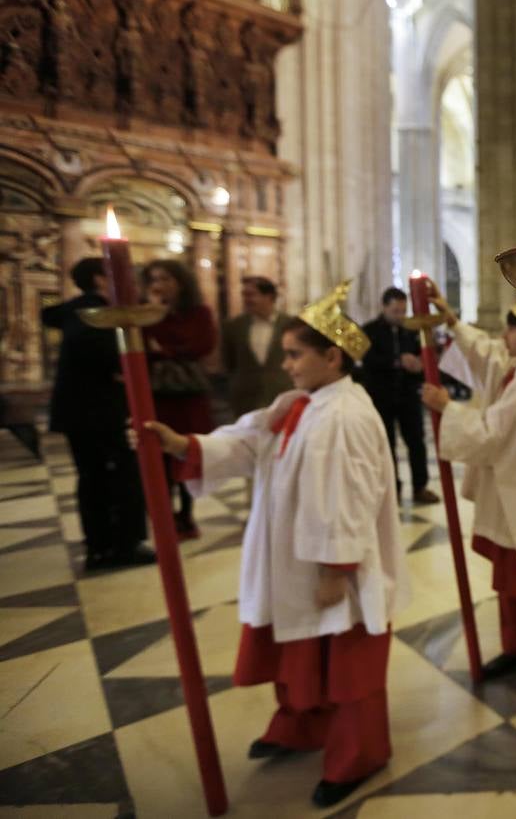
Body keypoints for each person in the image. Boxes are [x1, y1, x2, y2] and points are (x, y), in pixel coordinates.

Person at [138, 281, 408, 808]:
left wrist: (336, 566)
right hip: (291, 561)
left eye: (294, 355)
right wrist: (183, 444)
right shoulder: (300, 403)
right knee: (299, 651)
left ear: (332, 356)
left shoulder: (347, 414)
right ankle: (301, 728)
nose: (286, 365)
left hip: (334, 566)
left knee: (349, 666)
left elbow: (351, 496)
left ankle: (360, 754)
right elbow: (250, 442)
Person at [422, 292, 516, 690]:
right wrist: (452, 320)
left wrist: (447, 408)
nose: (502, 335)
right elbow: (486, 353)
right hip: (511, 492)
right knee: (510, 581)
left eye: (510, 329)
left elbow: (490, 435)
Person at [41, 257, 153, 571]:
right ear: (101, 279)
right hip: (99, 413)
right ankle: (119, 546)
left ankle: (103, 545)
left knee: (96, 478)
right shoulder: (94, 314)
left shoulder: (76, 311)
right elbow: (107, 356)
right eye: (121, 271)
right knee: (113, 477)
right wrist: (120, 369)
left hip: (86, 413)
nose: (129, 276)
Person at [143, 258, 217, 540]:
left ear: (181, 283)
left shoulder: (198, 312)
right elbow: (144, 347)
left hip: (189, 397)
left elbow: (201, 345)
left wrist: (165, 349)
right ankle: (165, 516)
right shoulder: (146, 314)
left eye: (165, 279)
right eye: (153, 279)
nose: (159, 285)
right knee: (158, 458)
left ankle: (186, 514)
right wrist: (154, 315)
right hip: (159, 396)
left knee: (188, 454)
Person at [360, 288, 439, 506]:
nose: (400, 315)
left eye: (403, 311)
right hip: (381, 396)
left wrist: (419, 365)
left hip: (408, 395)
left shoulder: (413, 331)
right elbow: (367, 361)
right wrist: (397, 361)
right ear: (384, 307)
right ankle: (391, 488)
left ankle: (420, 486)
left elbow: (427, 358)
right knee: (386, 445)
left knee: (416, 442)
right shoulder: (369, 331)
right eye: (395, 311)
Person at [221, 276, 292, 419]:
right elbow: (229, 361)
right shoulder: (234, 326)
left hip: (282, 393)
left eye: (251, 295)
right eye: (244, 295)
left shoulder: (291, 324)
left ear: (269, 296)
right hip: (246, 398)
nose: (246, 299)